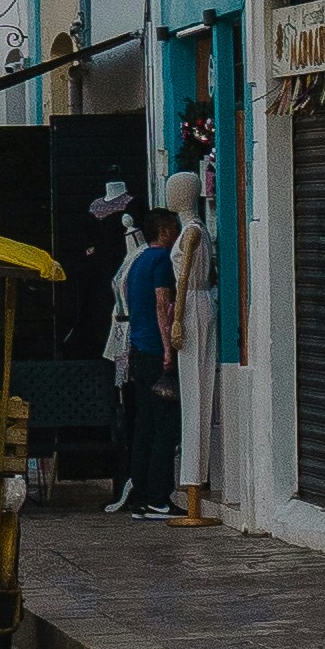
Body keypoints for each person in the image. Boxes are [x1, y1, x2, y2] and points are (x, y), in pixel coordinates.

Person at [113, 209, 182, 518]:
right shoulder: (161, 261)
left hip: (138, 350)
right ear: (165, 230)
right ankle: (158, 497)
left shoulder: (138, 260)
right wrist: (168, 350)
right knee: (164, 426)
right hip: (155, 350)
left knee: (144, 426)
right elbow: (161, 304)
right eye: (174, 228)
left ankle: (140, 495)